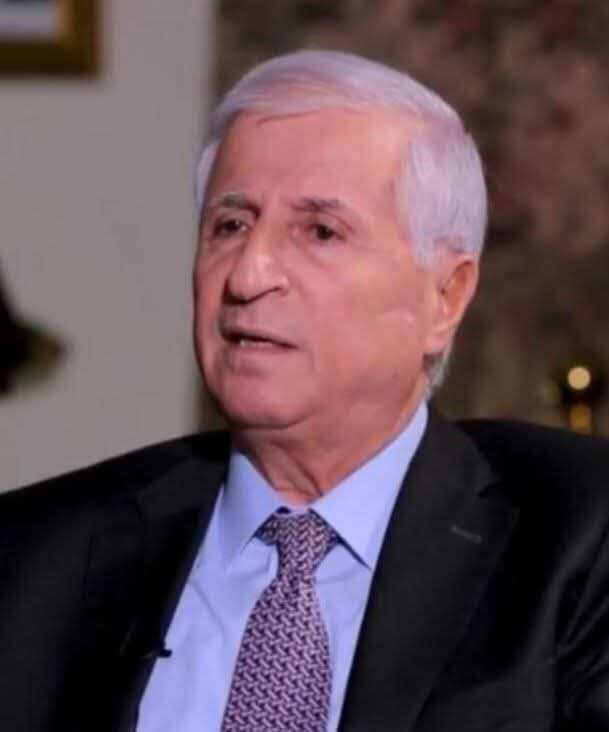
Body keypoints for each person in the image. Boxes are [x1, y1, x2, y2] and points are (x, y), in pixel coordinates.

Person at [1, 50, 609, 732]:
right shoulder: (30, 561)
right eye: (230, 225)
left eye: (320, 231)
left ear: (444, 296)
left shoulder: (577, 543)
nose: (247, 275)